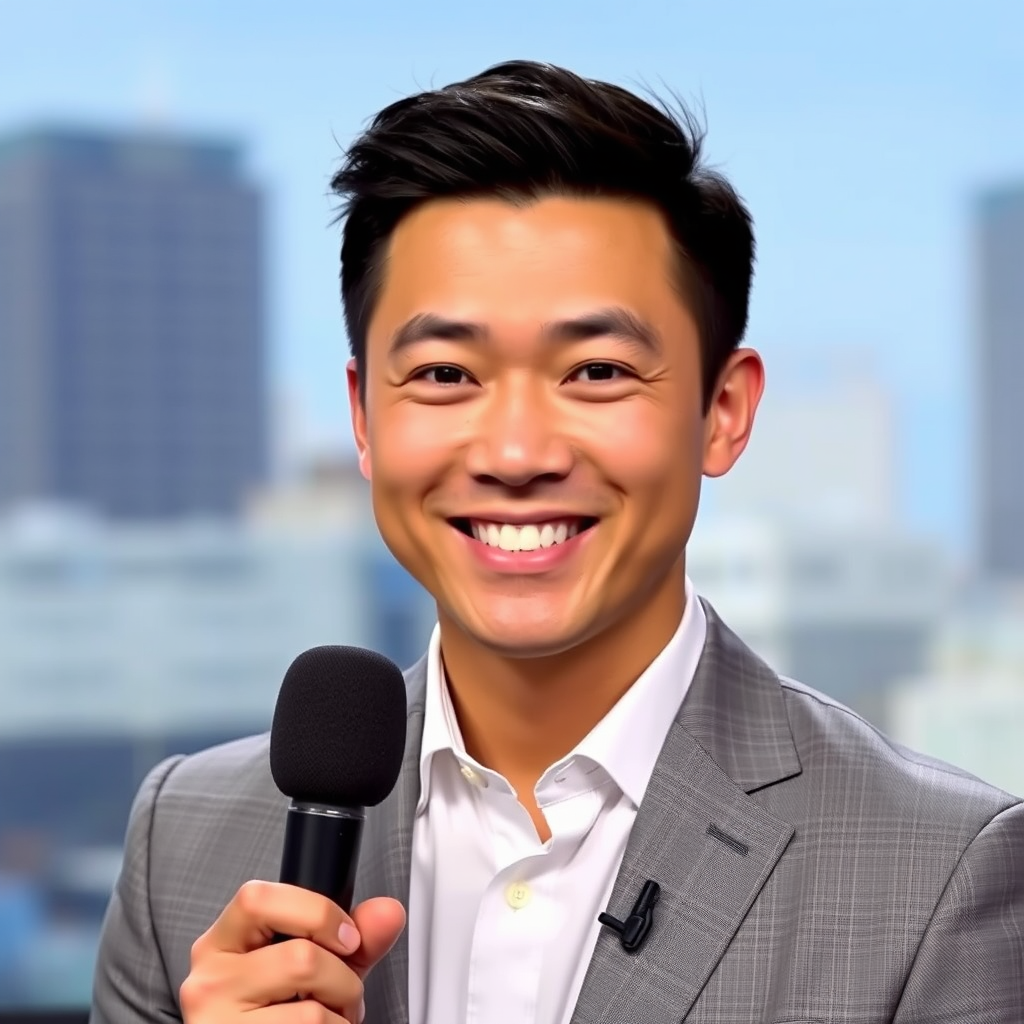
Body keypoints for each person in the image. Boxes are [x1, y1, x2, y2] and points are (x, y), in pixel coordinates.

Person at [90, 60, 1024, 1024]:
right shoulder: (186, 847)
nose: (516, 452)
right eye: (447, 373)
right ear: (363, 419)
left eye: (597, 370)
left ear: (724, 411)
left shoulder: (941, 876)